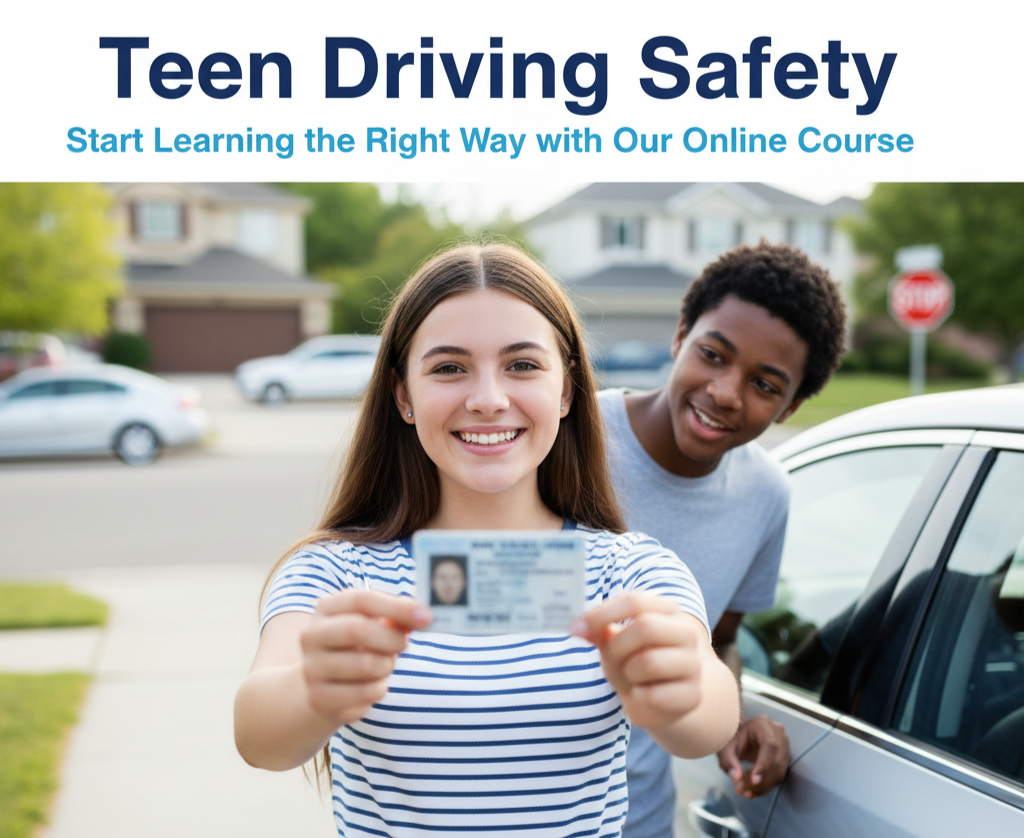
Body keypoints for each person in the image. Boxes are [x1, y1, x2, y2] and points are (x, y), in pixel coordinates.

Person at [234, 243, 740, 838]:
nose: (488, 399)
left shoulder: (632, 572)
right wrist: (312, 688)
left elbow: (713, 717)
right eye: (449, 367)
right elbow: (258, 736)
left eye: (522, 365)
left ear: (567, 391)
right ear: (403, 396)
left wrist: (683, 691)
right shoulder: (335, 574)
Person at [602, 241, 847, 838]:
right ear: (681, 334)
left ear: (792, 407)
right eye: (712, 354)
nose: (726, 392)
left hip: (636, 818)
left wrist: (734, 720)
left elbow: (721, 642)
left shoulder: (767, 495)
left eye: (765, 385)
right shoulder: (568, 436)